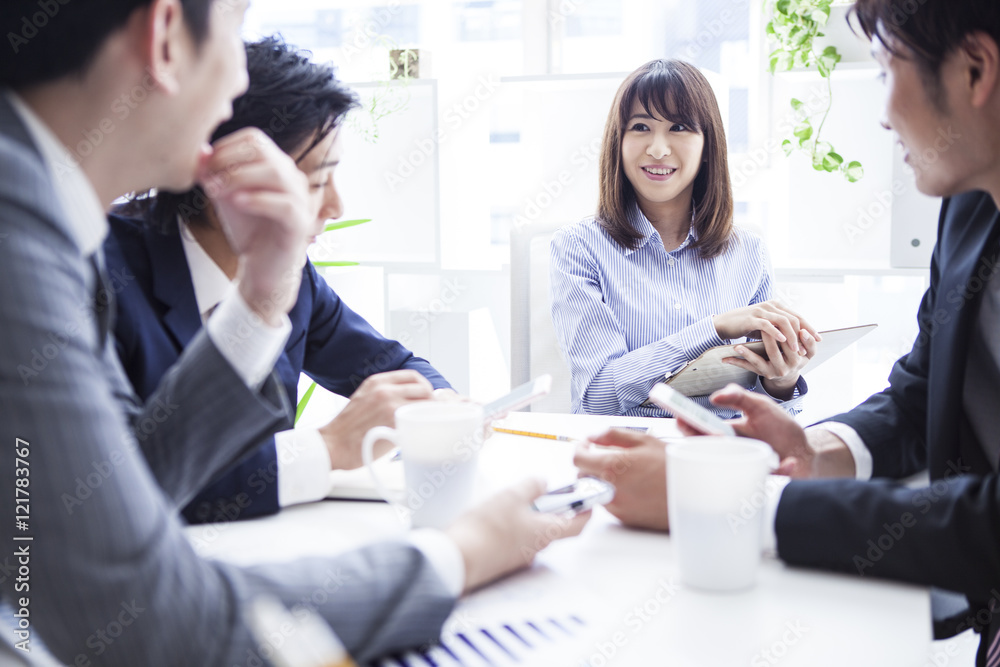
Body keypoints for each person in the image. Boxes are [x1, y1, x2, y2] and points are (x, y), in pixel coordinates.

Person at [0, 1, 587, 664]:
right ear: (166, 36)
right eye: (233, 27)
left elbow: (127, 482)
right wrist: (461, 553)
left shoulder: (42, 215)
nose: (234, 87)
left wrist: (259, 300)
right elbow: (147, 614)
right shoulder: (21, 228)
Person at [573, 1, 1000, 664]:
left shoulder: (746, 248)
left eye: (887, 70)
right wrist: (816, 447)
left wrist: (752, 507)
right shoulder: (969, 209)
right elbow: (919, 391)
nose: (883, 113)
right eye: (641, 128)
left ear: (975, 70)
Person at [107, 36, 454, 524]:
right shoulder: (101, 272)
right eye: (313, 182)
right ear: (225, 176)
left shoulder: (291, 274)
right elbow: (122, 489)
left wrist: (442, 408)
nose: (335, 207)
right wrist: (330, 447)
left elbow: (394, 364)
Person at [550, 59, 820, 418]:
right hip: (627, 455)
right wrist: (713, 329)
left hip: (723, 453)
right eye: (641, 127)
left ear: (708, 145)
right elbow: (598, 395)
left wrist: (782, 381)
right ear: (619, 142)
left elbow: (766, 410)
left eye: (678, 127)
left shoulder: (749, 251)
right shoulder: (579, 247)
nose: (658, 149)